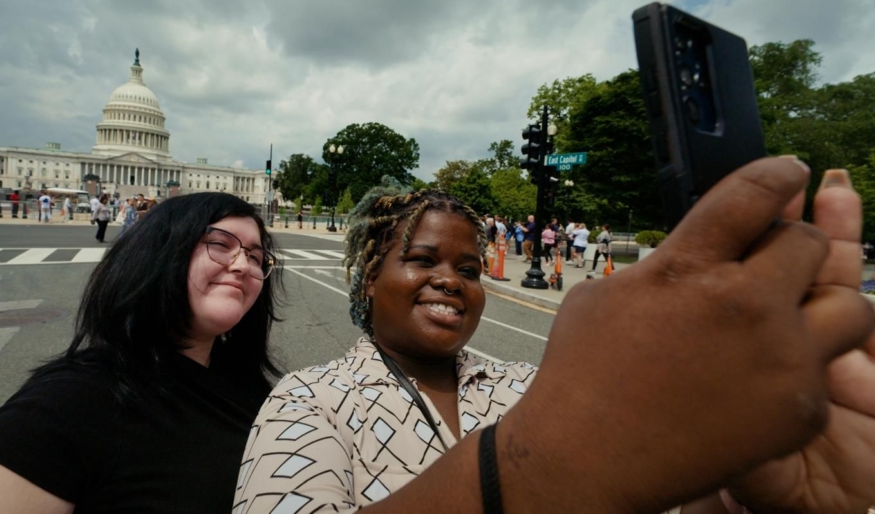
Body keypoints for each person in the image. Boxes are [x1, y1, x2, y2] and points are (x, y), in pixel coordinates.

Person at [234, 161, 875, 514]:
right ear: (369, 278)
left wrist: (742, 479)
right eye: (422, 260)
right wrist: (526, 472)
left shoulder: (535, 384)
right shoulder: (308, 400)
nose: (451, 281)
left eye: (468, 270)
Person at [0, 192, 282, 514]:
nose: (242, 265)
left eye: (255, 256)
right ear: (161, 252)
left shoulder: (250, 386)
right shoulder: (71, 402)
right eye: (220, 244)